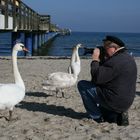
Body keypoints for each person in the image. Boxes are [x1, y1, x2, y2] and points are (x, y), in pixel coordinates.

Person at [78, 35, 137, 126]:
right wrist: (104, 59)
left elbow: (96, 78)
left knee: (82, 85)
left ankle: (97, 117)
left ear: (113, 48)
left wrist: (95, 60)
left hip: (115, 100)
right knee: (106, 111)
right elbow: (108, 75)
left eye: (105, 48)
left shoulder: (115, 61)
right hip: (126, 101)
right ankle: (119, 113)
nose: (104, 50)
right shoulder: (127, 57)